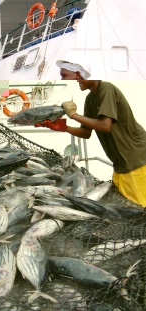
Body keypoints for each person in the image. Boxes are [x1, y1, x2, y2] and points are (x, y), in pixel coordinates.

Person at [36, 60, 146, 207]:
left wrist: (73, 115)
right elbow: (86, 132)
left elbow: (105, 126)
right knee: (132, 208)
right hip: (121, 163)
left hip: (136, 161)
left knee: (140, 209)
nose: (74, 79)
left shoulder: (106, 89)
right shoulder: (90, 98)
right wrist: (64, 128)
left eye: (65, 75)